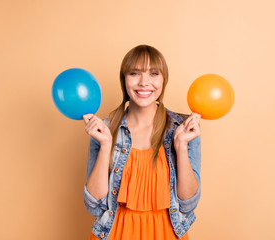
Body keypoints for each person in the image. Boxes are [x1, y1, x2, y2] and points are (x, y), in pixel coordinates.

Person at [83, 45, 201, 240]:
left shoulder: (184, 128)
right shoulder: (104, 129)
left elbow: (187, 203)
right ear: (124, 80)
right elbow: (94, 204)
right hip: (115, 233)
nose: (144, 82)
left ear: (164, 79)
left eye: (154, 73)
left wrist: (181, 146)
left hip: (167, 233)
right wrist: (105, 145)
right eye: (134, 73)